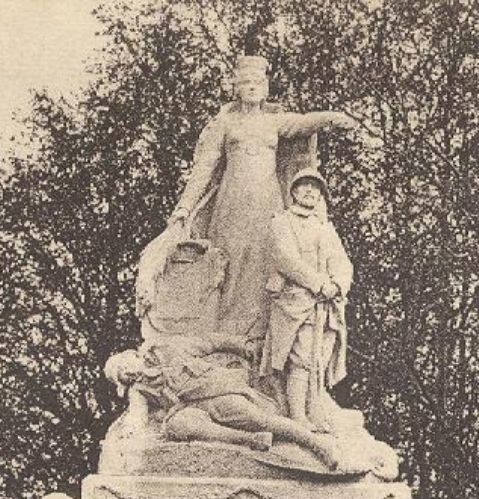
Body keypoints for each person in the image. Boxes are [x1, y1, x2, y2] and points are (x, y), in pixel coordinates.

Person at [141, 56, 355, 340]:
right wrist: (184, 207)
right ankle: (226, 336)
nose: (252, 87)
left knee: (267, 263)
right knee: (230, 264)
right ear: (236, 88)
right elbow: (204, 169)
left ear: (265, 88)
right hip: (232, 202)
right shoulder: (225, 124)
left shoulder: (274, 122)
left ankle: (261, 338)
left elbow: (304, 123)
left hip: (268, 202)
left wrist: (332, 118)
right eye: (245, 83)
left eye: (257, 83)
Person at [105, 335, 340, 468]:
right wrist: (129, 430)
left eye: (124, 366)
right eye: (121, 375)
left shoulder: (168, 348)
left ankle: (318, 446)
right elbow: (136, 416)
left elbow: (211, 342)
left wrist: (243, 347)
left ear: (132, 356)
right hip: (191, 408)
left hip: (217, 392)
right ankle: (249, 441)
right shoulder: (139, 390)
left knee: (262, 420)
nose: (126, 372)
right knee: (177, 426)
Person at [262, 168, 351, 433]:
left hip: (325, 305)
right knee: (300, 358)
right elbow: (285, 259)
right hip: (295, 302)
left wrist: (336, 284)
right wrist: (318, 283)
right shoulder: (282, 221)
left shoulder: (325, 227)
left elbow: (341, 261)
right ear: (294, 192)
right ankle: (297, 416)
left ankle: (315, 412)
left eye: (315, 187)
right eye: (304, 186)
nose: (310, 191)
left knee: (318, 359)